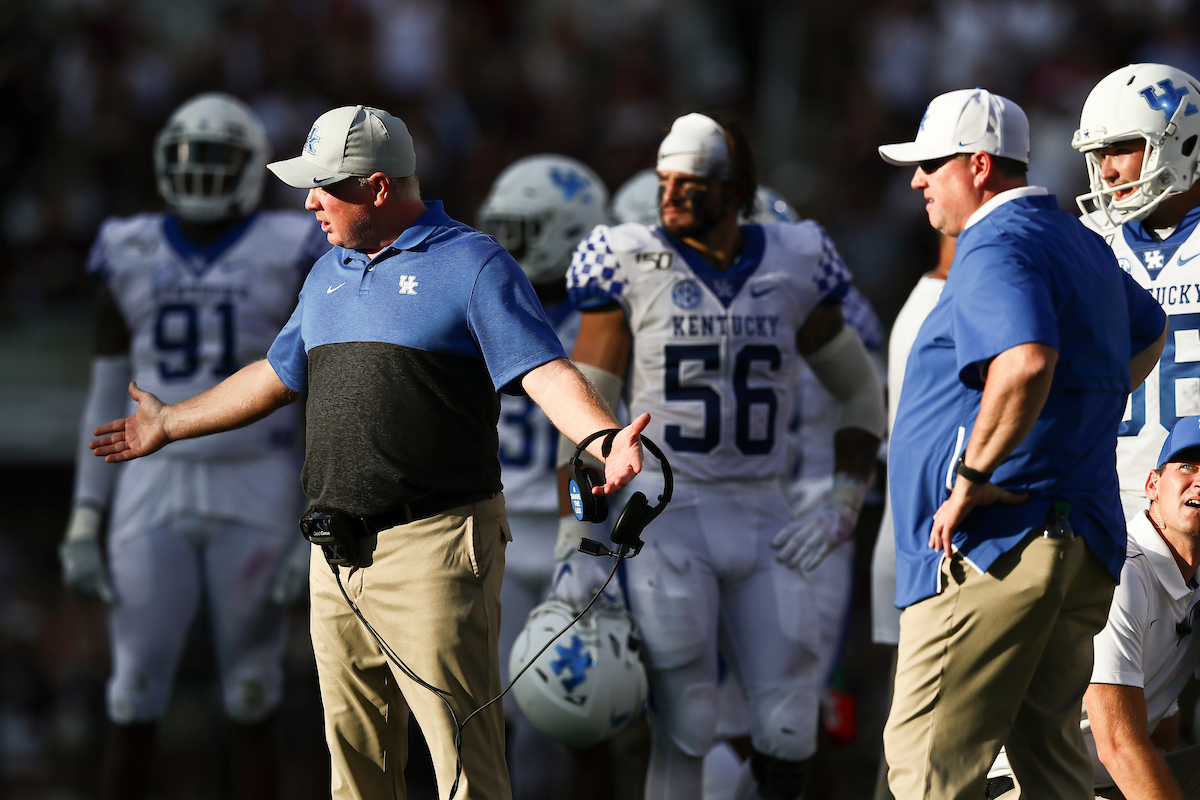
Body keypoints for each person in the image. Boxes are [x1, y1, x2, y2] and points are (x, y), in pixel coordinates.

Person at [89, 104, 649, 800]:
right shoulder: (328, 269)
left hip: (435, 544)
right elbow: (275, 376)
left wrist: (600, 437)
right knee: (354, 772)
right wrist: (171, 422)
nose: (309, 202)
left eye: (324, 186)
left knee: (463, 766)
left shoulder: (471, 262)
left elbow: (543, 370)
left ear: (378, 188)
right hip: (336, 552)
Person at [556, 112, 886, 800]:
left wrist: (844, 502)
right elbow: (585, 417)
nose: (670, 195)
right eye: (665, 180)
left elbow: (860, 392)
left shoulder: (794, 258)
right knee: (686, 720)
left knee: (791, 728)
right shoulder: (629, 259)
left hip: (766, 515)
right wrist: (577, 542)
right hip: (668, 517)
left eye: (691, 182)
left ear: (734, 189)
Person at [877, 87, 1167, 800]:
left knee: (926, 778)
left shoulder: (994, 241)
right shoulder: (1078, 239)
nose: (917, 181)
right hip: (1078, 542)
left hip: (996, 546)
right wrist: (1068, 430)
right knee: (1051, 771)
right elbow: (1148, 328)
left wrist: (975, 475)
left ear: (979, 165)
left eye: (931, 165)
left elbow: (1027, 360)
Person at [58, 92, 326, 800]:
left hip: (259, 476)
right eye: (191, 156)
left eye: (217, 157)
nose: (202, 170)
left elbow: (319, 392)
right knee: (133, 691)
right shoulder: (129, 245)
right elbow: (106, 395)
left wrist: (313, 517)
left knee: (252, 693)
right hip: (153, 477)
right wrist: (86, 516)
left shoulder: (291, 244)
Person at [476, 153, 610, 799]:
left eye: (519, 231)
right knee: (488, 712)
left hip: (579, 528)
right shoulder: (484, 304)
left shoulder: (607, 318)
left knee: (588, 708)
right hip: (495, 523)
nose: (503, 245)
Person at [986, 413, 1200, 800]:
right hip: (1022, 784)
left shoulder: (1190, 577)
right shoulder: (1121, 571)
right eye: (1187, 466)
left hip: (1107, 782)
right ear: (1152, 485)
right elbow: (1119, 747)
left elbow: (1162, 727)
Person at [1070, 63, 1200, 524]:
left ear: (1184, 143)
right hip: (1109, 498)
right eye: (1098, 153)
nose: (1106, 170)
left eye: (1121, 149)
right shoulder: (1087, 241)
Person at [868, 230, 953, 800]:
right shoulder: (951, 300)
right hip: (935, 553)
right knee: (919, 756)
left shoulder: (930, 297)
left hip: (918, 546)